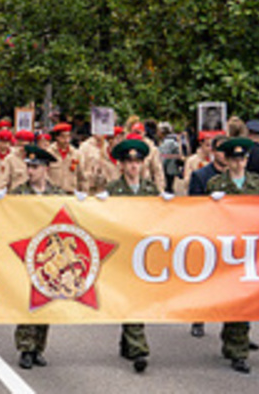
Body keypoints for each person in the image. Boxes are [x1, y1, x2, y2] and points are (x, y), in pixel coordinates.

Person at [205, 136, 259, 374]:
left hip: (249, 246)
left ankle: (238, 348)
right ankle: (234, 340)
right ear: (226, 160)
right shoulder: (215, 185)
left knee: (244, 298)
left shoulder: (256, 183)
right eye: (234, 158)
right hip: (226, 247)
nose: (239, 163)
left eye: (242, 158)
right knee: (231, 297)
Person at [106, 139, 159, 373]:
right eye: (129, 162)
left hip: (145, 252)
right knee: (131, 298)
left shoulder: (150, 190)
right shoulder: (112, 191)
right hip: (122, 251)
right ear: (122, 165)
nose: (134, 166)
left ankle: (128, 342)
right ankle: (139, 349)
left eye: (137, 162)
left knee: (138, 298)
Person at [12, 144, 65, 369]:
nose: (30, 171)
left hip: (50, 257)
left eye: (35, 167)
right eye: (29, 166)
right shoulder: (18, 193)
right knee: (27, 302)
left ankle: (38, 347)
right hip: (27, 253)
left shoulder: (57, 194)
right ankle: (25, 347)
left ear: (45, 169)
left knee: (46, 302)